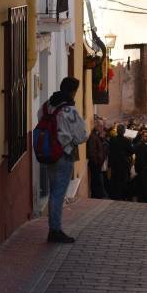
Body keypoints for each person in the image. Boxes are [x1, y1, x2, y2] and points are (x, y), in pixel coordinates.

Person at [41, 77, 87, 243]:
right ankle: (55, 230)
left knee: (54, 191)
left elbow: (41, 119)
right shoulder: (70, 110)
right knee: (58, 194)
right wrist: (69, 138)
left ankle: (54, 228)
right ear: (73, 91)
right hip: (64, 154)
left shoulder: (48, 105)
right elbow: (82, 136)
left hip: (49, 153)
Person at [109, 124, 134, 201]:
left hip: (114, 163)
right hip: (124, 163)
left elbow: (110, 151)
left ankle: (115, 196)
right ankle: (122, 196)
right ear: (124, 131)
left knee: (115, 179)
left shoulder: (112, 139)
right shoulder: (127, 140)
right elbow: (131, 152)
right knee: (124, 180)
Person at [87, 118, 107, 199]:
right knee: (96, 182)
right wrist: (97, 161)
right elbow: (92, 151)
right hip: (95, 164)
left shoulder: (97, 135)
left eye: (102, 126)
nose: (102, 128)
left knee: (98, 182)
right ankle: (96, 197)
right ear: (97, 126)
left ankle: (98, 196)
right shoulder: (93, 136)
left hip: (98, 163)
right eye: (101, 126)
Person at [133, 130, 147, 203]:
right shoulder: (139, 145)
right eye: (145, 136)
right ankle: (142, 198)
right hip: (141, 168)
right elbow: (138, 157)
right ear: (142, 136)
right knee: (142, 184)